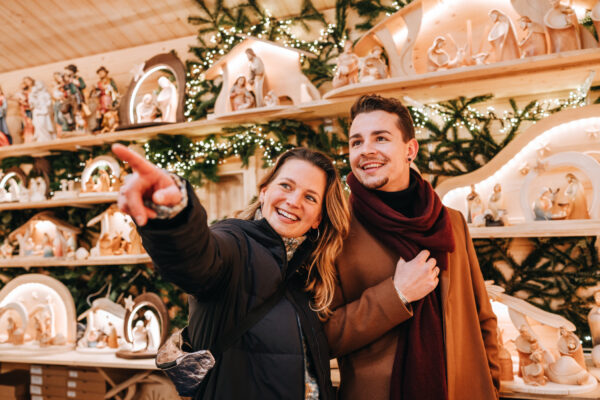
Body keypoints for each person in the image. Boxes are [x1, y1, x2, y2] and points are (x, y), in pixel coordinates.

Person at [112, 143, 349, 400]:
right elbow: (197, 259)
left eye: (310, 197)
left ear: (317, 218)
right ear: (264, 192)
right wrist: (173, 215)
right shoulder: (236, 244)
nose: (293, 201)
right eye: (286, 186)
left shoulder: (308, 276)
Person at [324, 94, 499, 400]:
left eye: (380, 138)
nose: (366, 150)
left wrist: (491, 386)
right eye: (356, 142)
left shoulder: (452, 222)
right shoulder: (337, 229)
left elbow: (482, 317)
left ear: (410, 149)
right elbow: (323, 336)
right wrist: (396, 295)